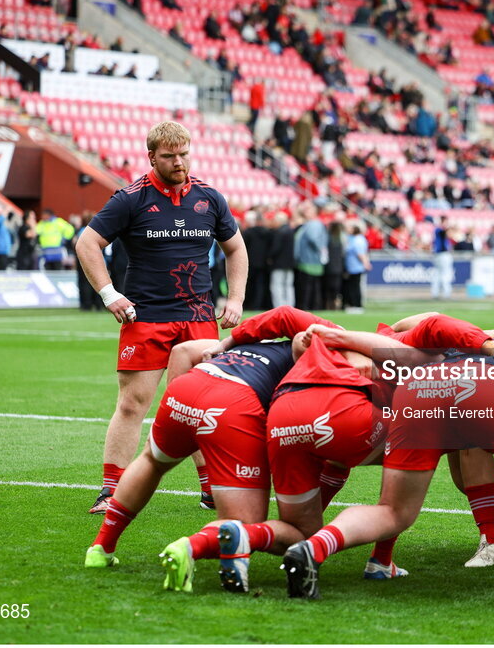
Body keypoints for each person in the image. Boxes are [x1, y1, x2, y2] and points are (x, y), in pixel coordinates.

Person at [279, 324, 494, 600]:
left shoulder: (491, 344)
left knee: (395, 510)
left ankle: (314, 550)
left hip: (416, 389)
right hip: (470, 379)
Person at [84, 307, 334, 595]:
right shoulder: (326, 354)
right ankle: (188, 548)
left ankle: (101, 547)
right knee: (246, 527)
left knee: (152, 460)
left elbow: (183, 351)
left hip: (188, 387)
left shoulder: (254, 340)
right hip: (233, 404)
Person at [76, 121, 249, 514]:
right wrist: (109, 294)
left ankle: (211, 490)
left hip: (200, 315)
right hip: (146, 316)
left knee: (204, 404)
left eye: (184, 153)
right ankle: (111, 491)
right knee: (133, 403)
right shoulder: (131, 199)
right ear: (151, 156)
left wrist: (235, 298)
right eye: (170, 156)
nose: (179, 162)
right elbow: (87, 243)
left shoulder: (209, 197)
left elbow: (236, 249)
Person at [293, 203, 326, 311]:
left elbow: (313, 239)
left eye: (309, 209)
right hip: (309, 260)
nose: (306, 211)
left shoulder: (314, 224)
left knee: (307, 287)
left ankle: (308, 306)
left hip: (309, 260)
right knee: (310, 286)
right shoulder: (310, 224)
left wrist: (319, 249)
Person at [269, 211, 296, 307]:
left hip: (279, 264)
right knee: (288, 286)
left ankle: (279, 306)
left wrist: (269, 257)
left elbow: (276, 248)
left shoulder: (279, 232)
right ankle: (290, 306)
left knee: (277, 286)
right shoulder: (290, 231)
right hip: (289, 263)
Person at [343, 221, 370, 314]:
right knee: (353, 286)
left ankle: (356, 305)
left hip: (355, 267)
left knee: (355, 286)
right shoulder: (354, 239)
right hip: (352, 267)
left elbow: (361, 253)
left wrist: (366, 263)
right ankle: (354, 304)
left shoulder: (358, 239)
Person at [322, 219, 345, 310]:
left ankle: (329, 304)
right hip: (338, 267)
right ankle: (334, 304)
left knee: (328, 287)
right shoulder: (339, 240)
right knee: (336, 288)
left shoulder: (328, 239)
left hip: (330, 266)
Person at [430, 215, 452, 299]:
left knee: (437, 274)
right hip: (443, 254)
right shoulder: (440, 229)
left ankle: (435, 293)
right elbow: (445, 233)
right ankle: (446, 293)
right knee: (444, 274)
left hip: (438, 254)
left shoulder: (437, 229)